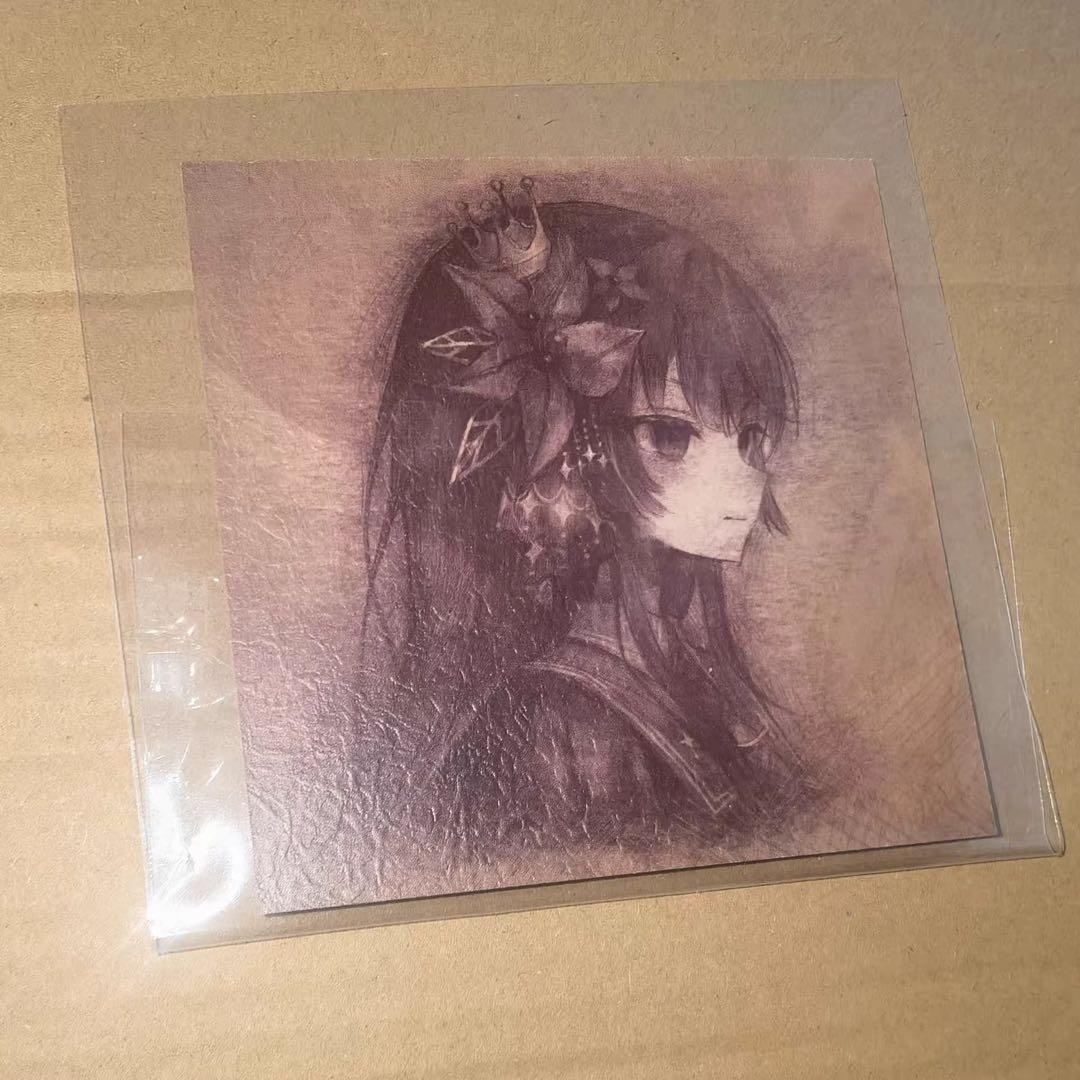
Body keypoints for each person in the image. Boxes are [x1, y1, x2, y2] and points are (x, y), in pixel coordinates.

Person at [357, 179, 807, 872]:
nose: (737, 484)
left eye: (751, 438)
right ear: (569, 449)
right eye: (670, 435)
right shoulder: (562, 722)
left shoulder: (679, 670)